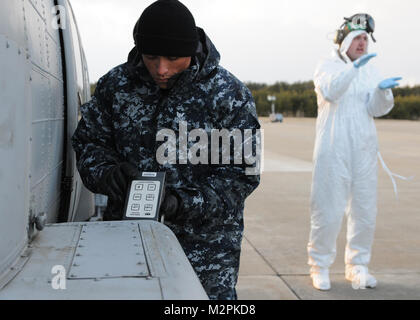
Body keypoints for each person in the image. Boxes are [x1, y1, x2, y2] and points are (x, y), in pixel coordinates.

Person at [71, 0, 260, 300]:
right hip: (129, 241)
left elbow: (241, 176)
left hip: (206, 249)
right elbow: (89, 143)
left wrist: (179, 203)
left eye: (173, 58)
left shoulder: (229, 95)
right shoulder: (115, 86)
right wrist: (108, 174)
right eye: (151, 57)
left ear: (193, 50)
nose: (161, 69)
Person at [307, 13, 402, 291]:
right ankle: (320, 265)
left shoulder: (371, 69)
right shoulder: (327, 66)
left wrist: (384, 92)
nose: (362, 43)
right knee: (327, 209)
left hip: (363, 150)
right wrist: (354, 69)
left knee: (364, 210)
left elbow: (377, 109)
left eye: (365, 39)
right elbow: (332, 92)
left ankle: (358, 266)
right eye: (357, 38)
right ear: (345, 40)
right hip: (332, 150)